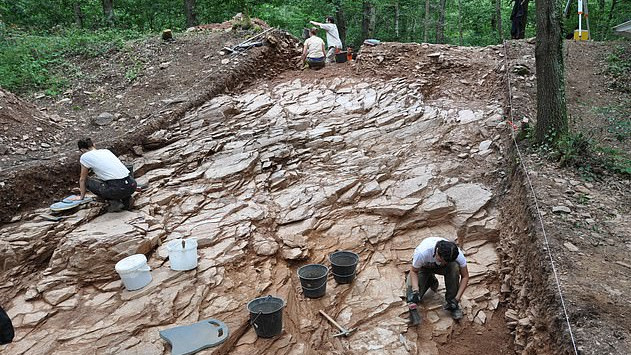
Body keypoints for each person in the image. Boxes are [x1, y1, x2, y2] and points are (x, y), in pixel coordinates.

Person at [407, 237, 469, 320]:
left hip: (444, 268)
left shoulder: (457, 255)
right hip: (423, 267)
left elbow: (465, 276)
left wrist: (456, 299)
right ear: (437, 251)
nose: (443, 262)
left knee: (454, 267)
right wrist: (415, 290)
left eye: (446, 261)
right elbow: (413, 271)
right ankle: (430, 280)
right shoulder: (423, 252)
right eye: (441, 259)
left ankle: (452, 303)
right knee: (411, 297)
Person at [69, 138, 137, 212]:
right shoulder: (106, 151)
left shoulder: (84, 157)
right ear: (94, 145)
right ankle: (127, 199)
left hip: (117, 189)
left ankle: (114, 202)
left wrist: (81, 197)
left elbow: (82, 179)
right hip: (131, 185)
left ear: (82, 150)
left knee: (87, 181)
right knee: (116, 182)